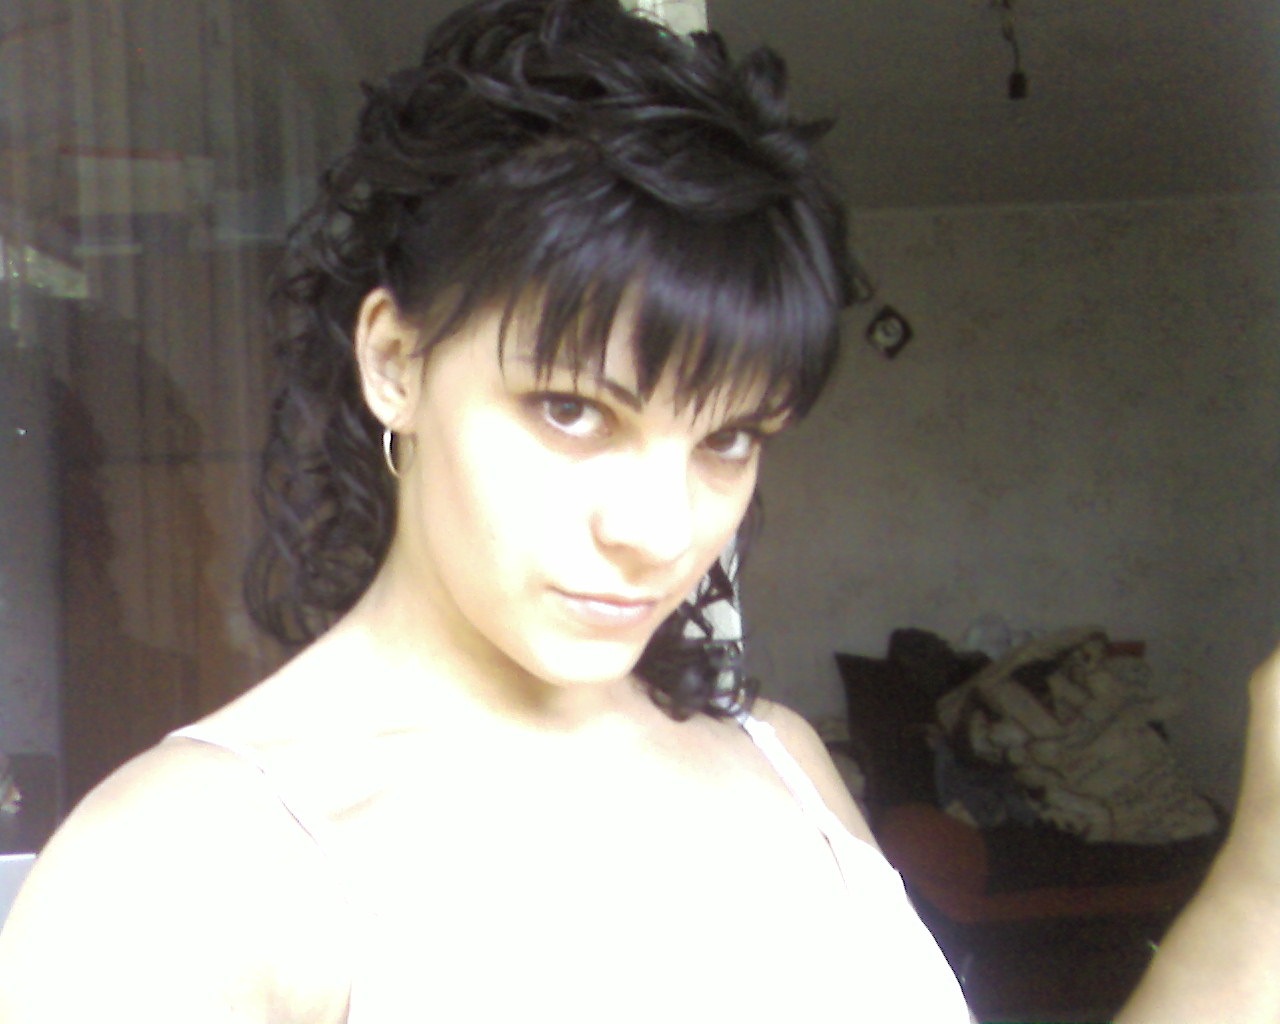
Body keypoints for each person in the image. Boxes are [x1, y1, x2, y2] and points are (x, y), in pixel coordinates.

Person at [0, 1, 1277, 1020]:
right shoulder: (182, 870)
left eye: (725, 439)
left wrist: (1263, 869)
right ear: (394, 361)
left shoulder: (781, 762)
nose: (661, 530)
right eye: (571, 411)